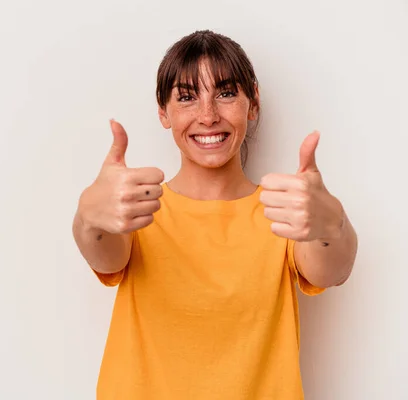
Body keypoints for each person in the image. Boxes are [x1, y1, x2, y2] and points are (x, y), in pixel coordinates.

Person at [72, 29, 358, 400]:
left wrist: (332, 223)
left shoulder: (283, 212)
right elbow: (103, 252)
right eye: (187, 97)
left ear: (252, 103)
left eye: (225, 93)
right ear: (163, 111)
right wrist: (88, 217)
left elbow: (331, 270)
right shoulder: (137, 210)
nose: (207, 116)